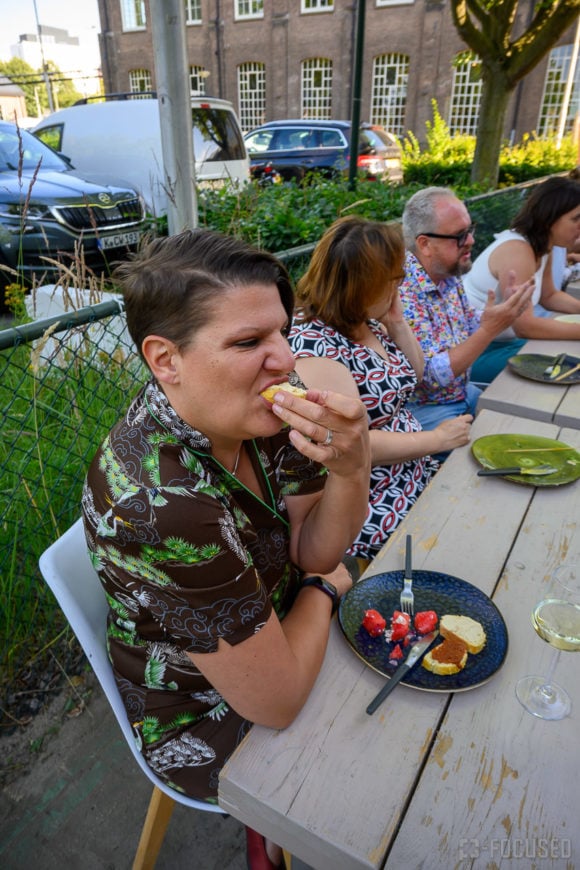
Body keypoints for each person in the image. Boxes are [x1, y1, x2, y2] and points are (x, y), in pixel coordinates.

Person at [81, 229, 371, 870]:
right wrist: (324, 592)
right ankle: (271, 826)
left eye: (281, 332)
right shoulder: (164, 507)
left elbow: (313, 548)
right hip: (199, 712)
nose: (285, 359)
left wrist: (351, 469)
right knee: (392, 751)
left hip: (271, 626)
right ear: (165, 360)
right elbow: (278, 699)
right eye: (248, 343)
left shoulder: (246, 414)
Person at [288, 215, 472, 563]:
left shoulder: (364, 320)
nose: (398, 288)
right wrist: (437, 440)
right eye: (392, 280)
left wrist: (397, 322)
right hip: (374, 499)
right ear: (363, 285)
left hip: (410, 473)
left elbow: (412, 377)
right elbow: (350, 441)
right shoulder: (315, 346)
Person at [399, 187, 534, 431]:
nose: (471, 240)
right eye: (460, 235)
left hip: (462, 395)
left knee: (526, 420)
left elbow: (465, 327)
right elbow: (431, 377)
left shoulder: (447, 274)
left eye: (470, 230)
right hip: (425, 413)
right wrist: (490, 329)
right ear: (425, 244)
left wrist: (501, 313)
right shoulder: (402, 290)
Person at [464, 177, 580, 363]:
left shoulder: (542, 246)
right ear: (549, 217)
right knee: (566, 364)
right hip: (477, 351)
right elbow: (524, 326)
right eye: (576, 218)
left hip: (502, 343)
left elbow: (549, 296)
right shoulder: (518, 251)